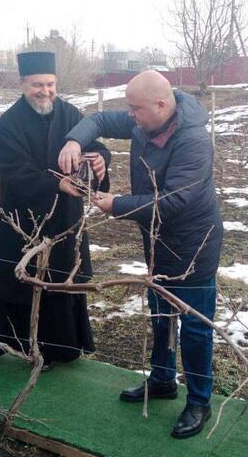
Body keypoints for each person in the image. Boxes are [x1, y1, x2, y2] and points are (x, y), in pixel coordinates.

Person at [58, 70, 223, 439]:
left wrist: (117, 204)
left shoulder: (193, 140)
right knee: (161, 315)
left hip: (194, 245)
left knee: (194, 327)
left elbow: (175, 201)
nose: (130, 115)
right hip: (156, 242)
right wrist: (73, 141)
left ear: (162, 105)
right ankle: (163, 379)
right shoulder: (144, 122)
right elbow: (99, 119)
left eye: (136, 109)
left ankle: (199, 400)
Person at [0, 51, 111, 370]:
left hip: (64, 218)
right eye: (37, 85)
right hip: (22, 215)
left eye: (50, 84)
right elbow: (13, 170)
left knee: (59, 279)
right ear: (22, 84)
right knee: (12, 280)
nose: (45, 90)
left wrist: (101, 160)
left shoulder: (71, 114)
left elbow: (96, 147)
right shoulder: (8, 124)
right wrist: (55, 185)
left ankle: (54, 348)